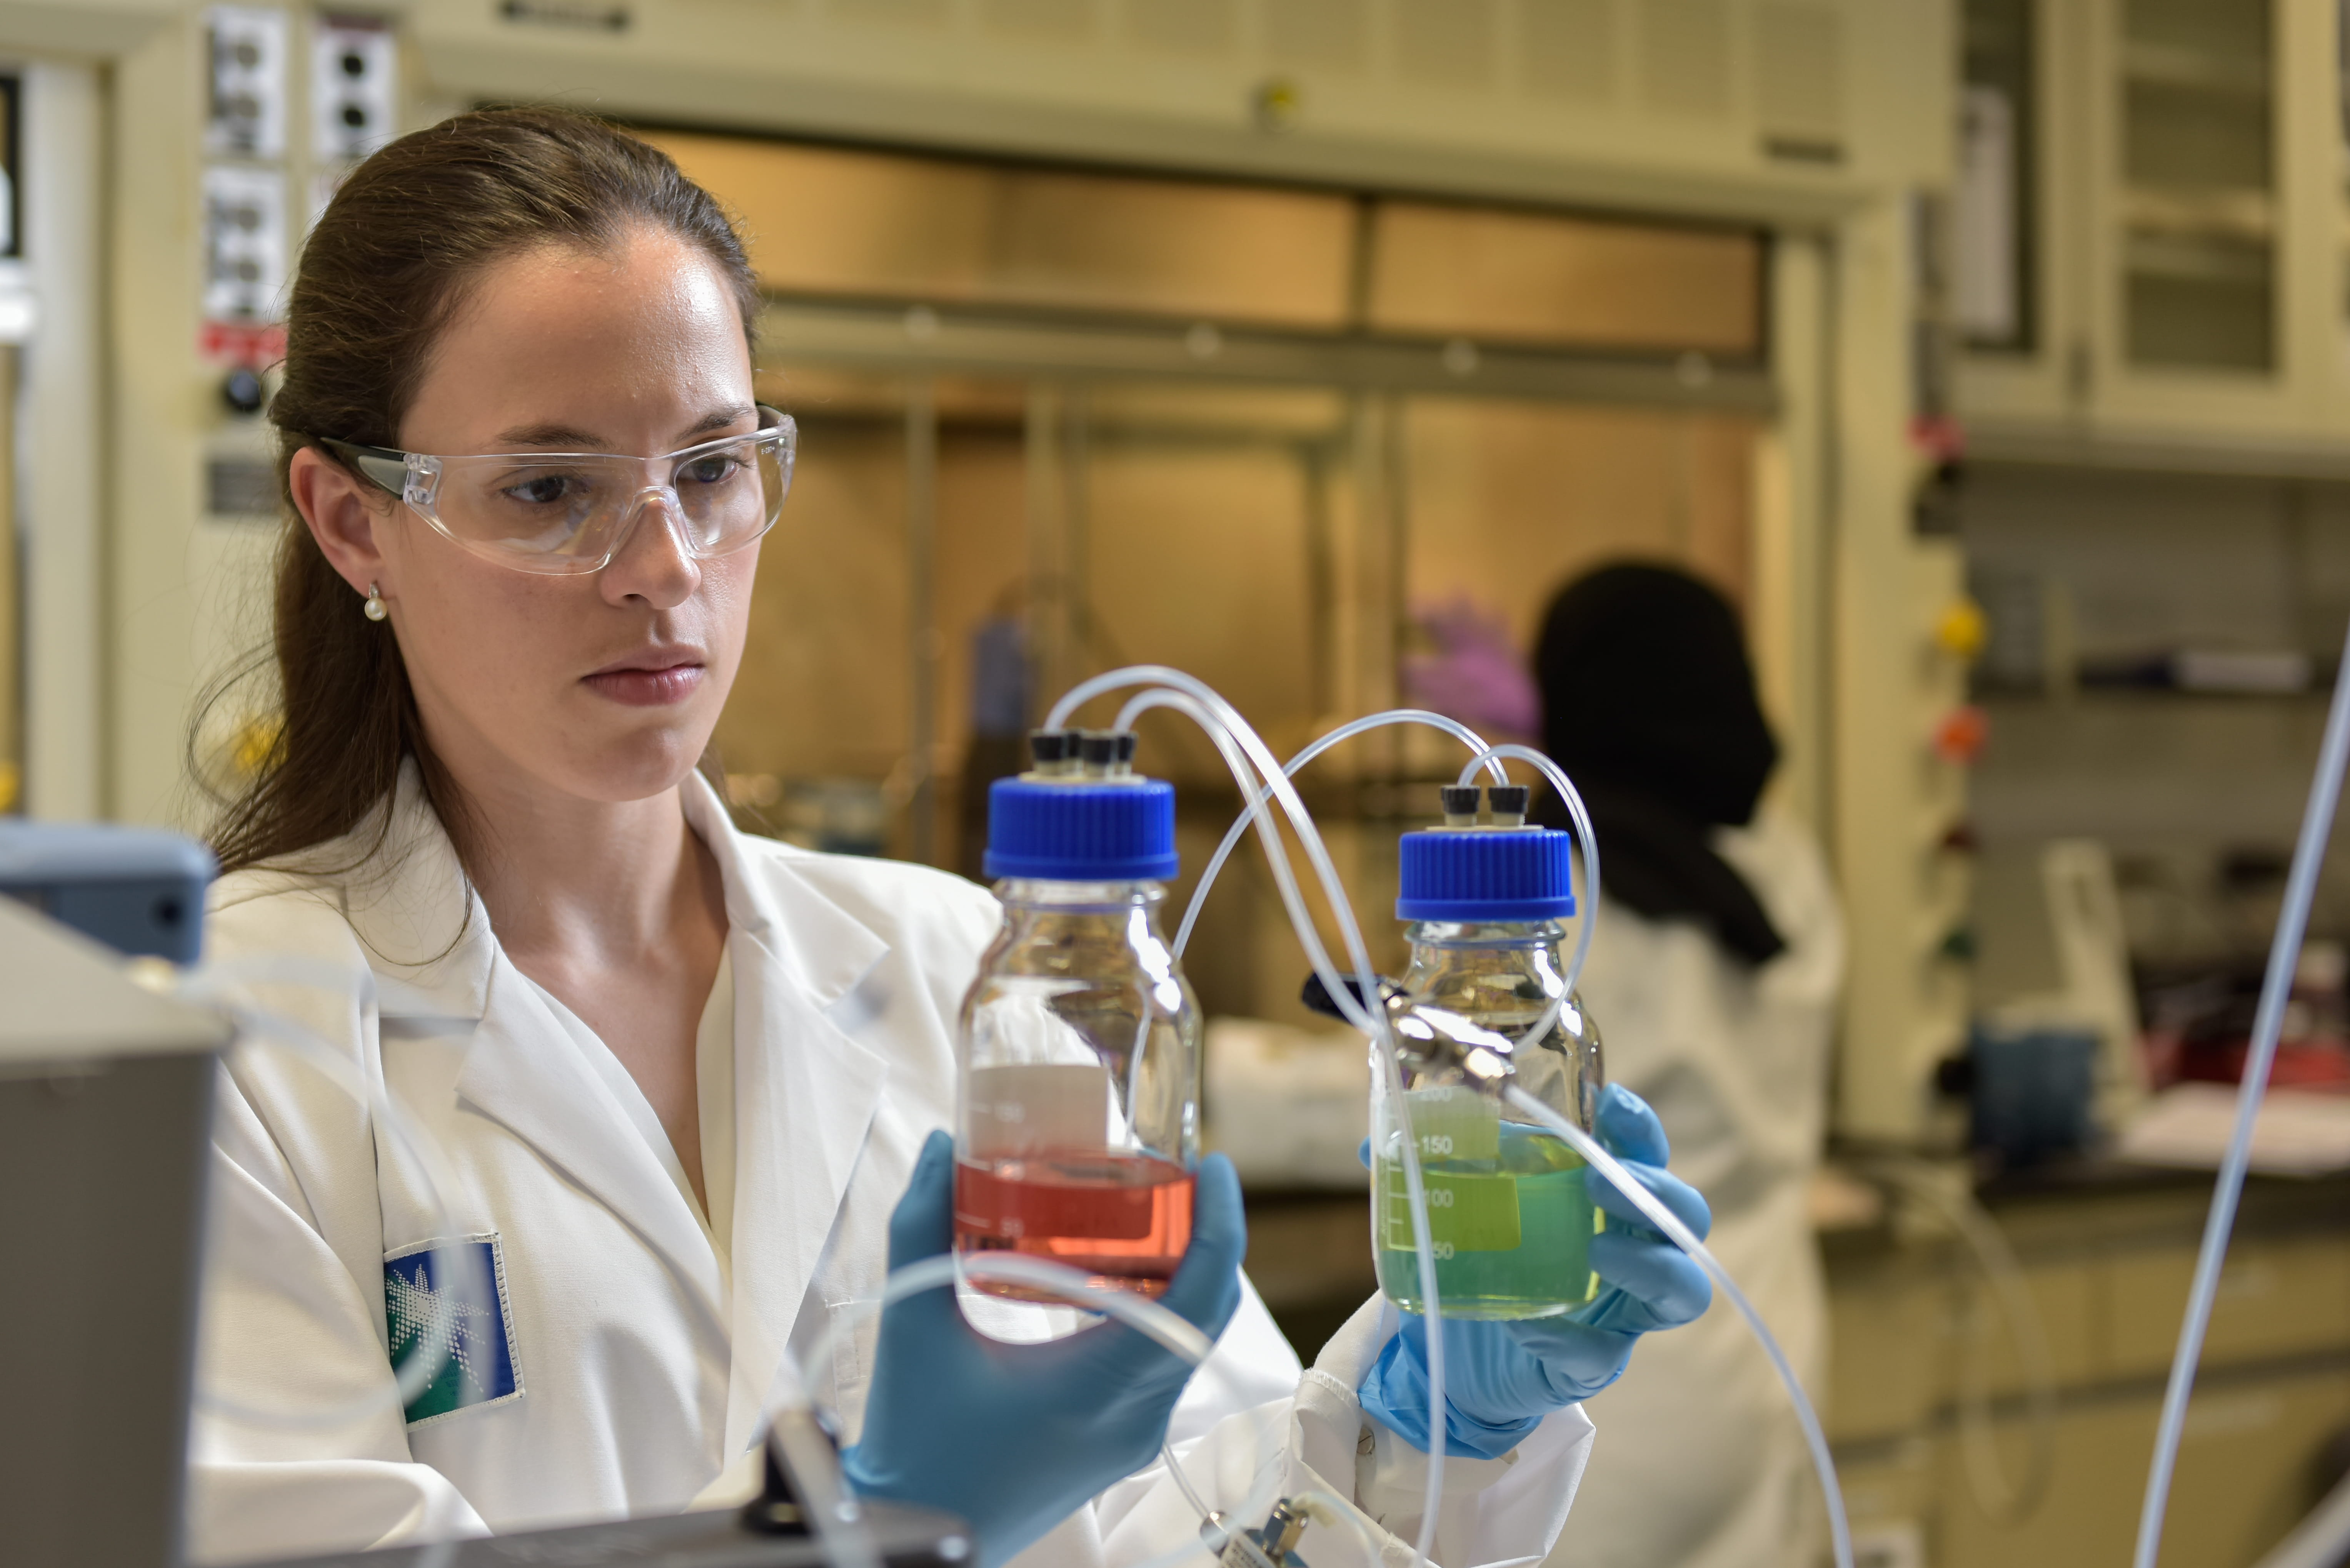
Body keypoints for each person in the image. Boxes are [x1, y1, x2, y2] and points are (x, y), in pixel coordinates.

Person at [188, 108, 1712, 1568]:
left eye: (712, 469)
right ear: (352, 521)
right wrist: (861, 1520)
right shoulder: (225, 1056)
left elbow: (1204, 1530)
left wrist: (1421, 1434)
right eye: (547, 488)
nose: (661, 568)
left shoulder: (972, 970)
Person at [1526, 564, 1846, 1568]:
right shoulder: (1787, 870)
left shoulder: (1575, 890)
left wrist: (1212, 1076)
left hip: (1618, 1378)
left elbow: (1445, 1093)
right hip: (1770, 1339)